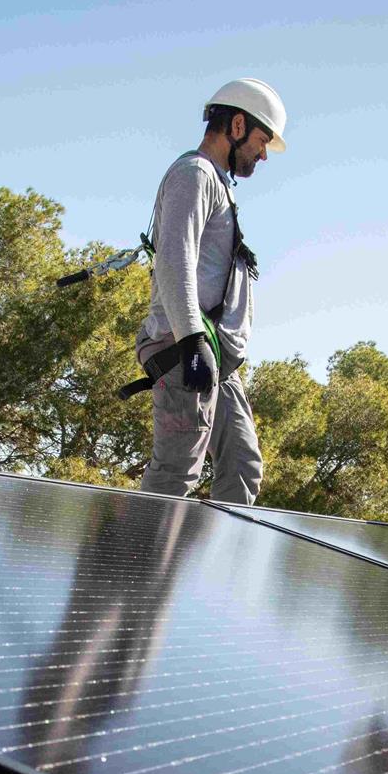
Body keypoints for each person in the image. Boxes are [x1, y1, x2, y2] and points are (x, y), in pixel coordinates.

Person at [127, 78, 286, 504]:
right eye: (261, 140)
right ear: (237, 125)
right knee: (178, 471)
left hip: (216, 359)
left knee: (241, 467)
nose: (264, 154)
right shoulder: (194, 175)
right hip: (187, 349)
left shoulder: (217, 184)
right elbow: (174, 259)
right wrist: (193, 340)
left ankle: (208, 570)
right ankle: (133, 569)